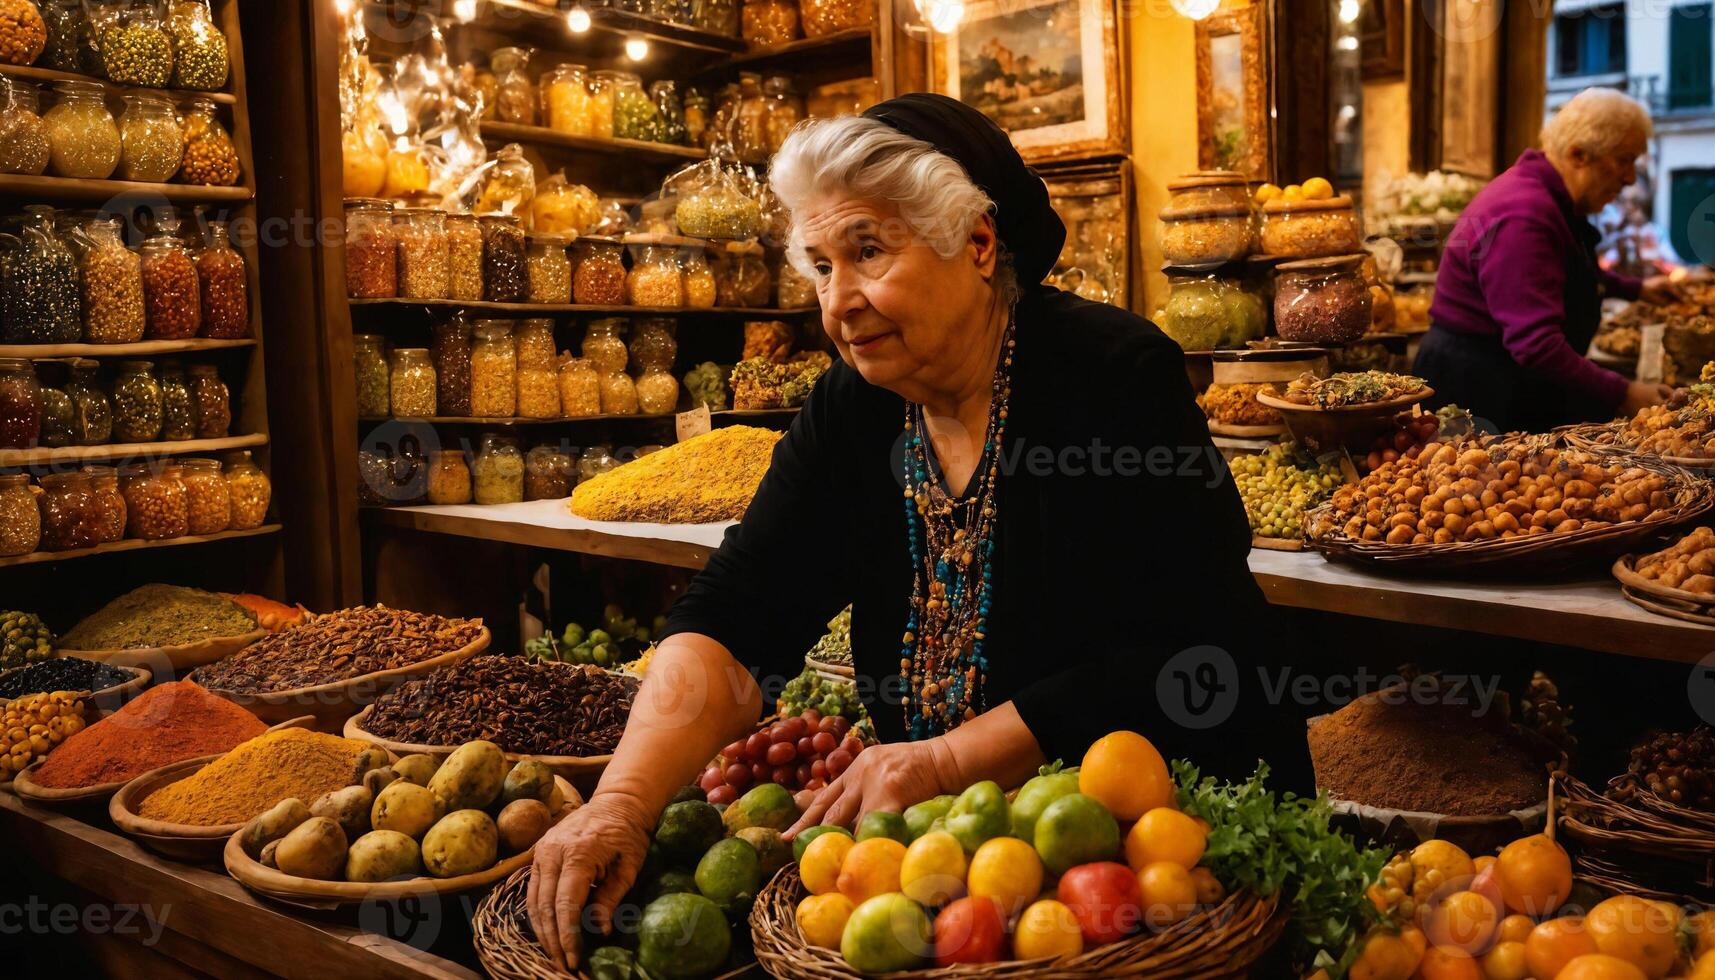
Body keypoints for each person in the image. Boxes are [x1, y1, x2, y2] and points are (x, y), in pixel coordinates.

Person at [527, 94, 1289, 969]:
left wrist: (940, 761)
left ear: (975, 242)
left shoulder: (1111, 374)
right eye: (818, 264)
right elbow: (737, 615)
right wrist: (620, 801)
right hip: (952, 862)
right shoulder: (851, 409)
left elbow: (1193, 645)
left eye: (867, 252)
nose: (839, 301)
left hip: (1151, 855)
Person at [1413, 87, 1679, 433]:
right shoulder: (1524, 214)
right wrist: (1624, 392)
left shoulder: (1546, 195)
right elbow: (1535, 345)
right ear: (1578, 154)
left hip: (1505, 376)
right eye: (1624, 160)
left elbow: (1558, 269)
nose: (1629, 179)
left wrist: (1636, 289)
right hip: (1481, 390)